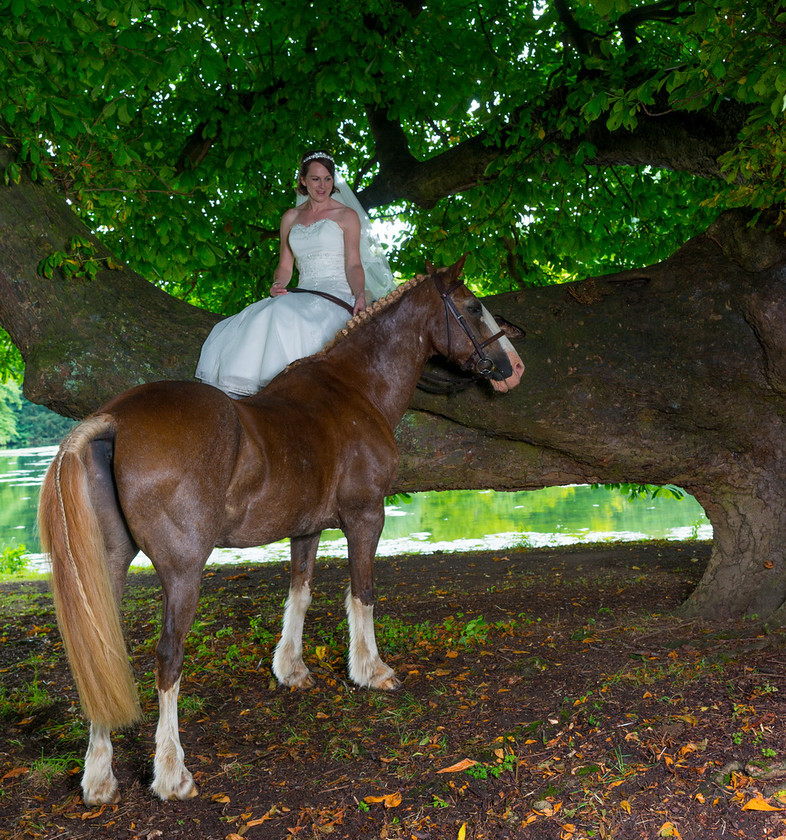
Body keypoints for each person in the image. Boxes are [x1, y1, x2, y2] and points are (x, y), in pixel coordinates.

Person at [195, 150, 395, 397]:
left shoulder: (346, 215)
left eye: (327, 179)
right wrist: (278, 283)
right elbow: (285, 265)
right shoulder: (290, 217)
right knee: (262, 313)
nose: (322, 186)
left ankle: (289, 389)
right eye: (315, 179)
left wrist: (360, 295)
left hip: (337, 291)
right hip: (303, 290)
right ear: (303, 180)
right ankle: (249, 389)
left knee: (282, 313)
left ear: (333, 181)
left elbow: (354, 263)